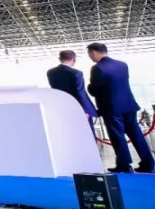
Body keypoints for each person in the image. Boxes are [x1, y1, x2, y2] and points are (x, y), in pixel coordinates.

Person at [87, 43, 154, 173]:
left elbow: (94, 90)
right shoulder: (122, 65)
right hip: (129, 106)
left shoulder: (97, 68)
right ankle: (148, 163)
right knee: (137, 135)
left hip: (111, 108)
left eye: (90, 54)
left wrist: (89, 87)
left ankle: (124, 165)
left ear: (94, 52)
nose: (90, 57)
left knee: (117, 136)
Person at [47, 50, 98, 134]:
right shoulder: (76, 73)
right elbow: (80, 93)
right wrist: (85, 111)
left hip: (62, 107)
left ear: (60, 59)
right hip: (77, 107)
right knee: (87, 133)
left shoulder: (50, 72)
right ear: (73, 59)